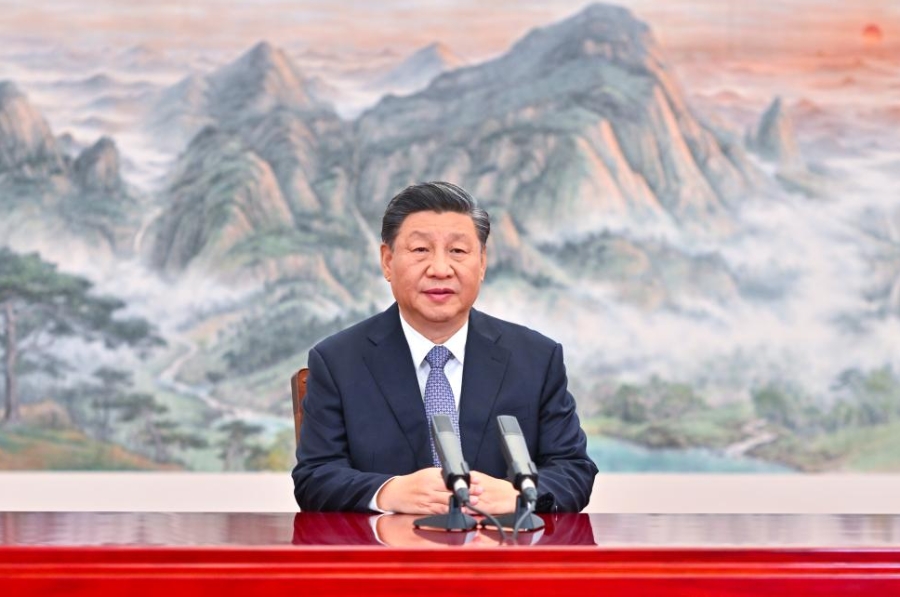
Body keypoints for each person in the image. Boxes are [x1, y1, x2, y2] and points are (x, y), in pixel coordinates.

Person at [292, 181, 597, 514]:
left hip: (500, 545)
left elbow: (573, 469)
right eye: (420, 250)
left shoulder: (536, 359)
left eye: (458, 251)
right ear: (387, 261)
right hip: (386, 545)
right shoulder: (338, 361)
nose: (440, 269)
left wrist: (523, 496)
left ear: (482, 263)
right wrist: (388, 492)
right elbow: (315, 476)